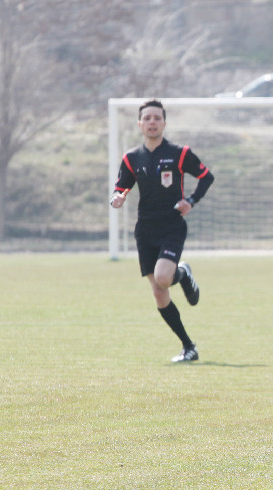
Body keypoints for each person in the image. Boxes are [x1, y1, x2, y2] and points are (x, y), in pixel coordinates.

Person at [110, 99, 213, 363]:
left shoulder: (179, 154)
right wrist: (118, 197)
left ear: (164, 123)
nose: (152, 122)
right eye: (147, 118)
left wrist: (190, 201)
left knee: (163, 278)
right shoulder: (132, 158)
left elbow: (206, 177)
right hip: (145, 230)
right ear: (140, 124)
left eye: (157, 118)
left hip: (171, 226)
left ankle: (183, 273)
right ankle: (188, 346)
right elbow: (121, 186)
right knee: (158, 292)